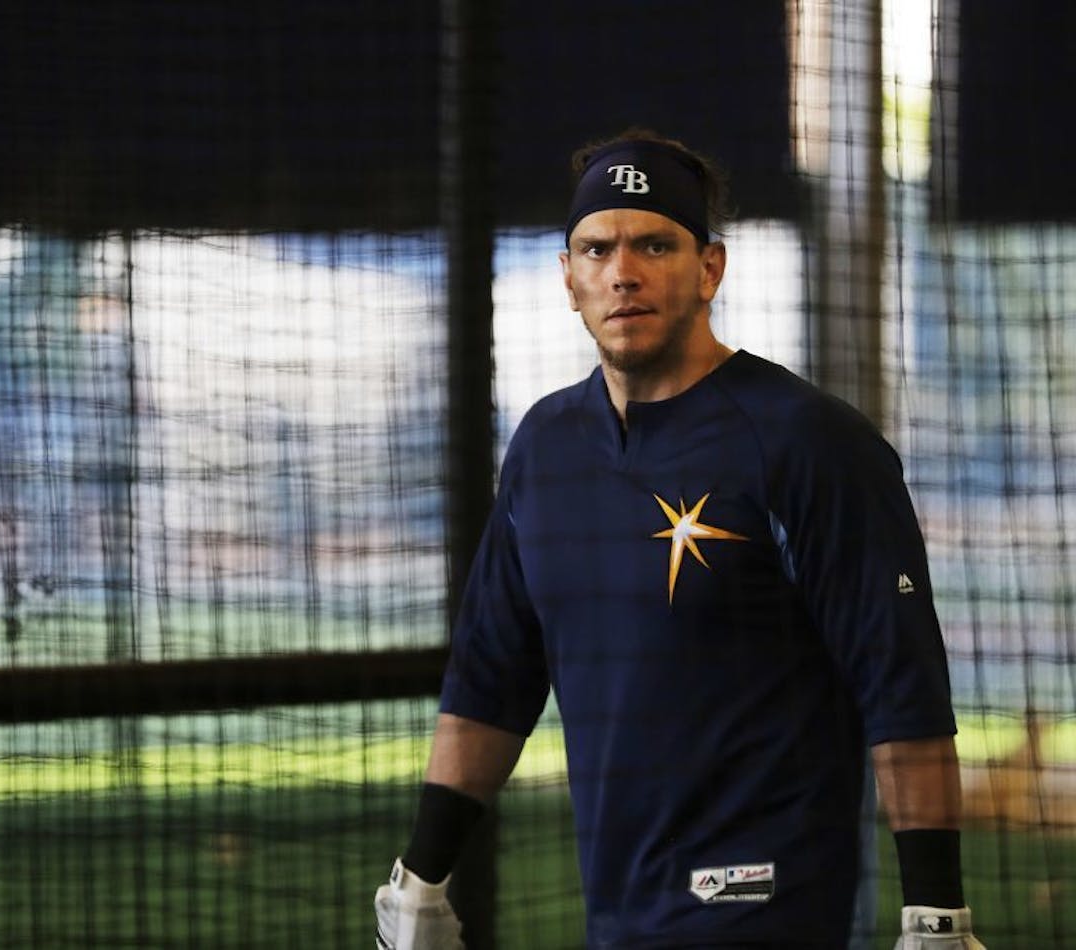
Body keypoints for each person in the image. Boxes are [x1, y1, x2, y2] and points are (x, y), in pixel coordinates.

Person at [374, 129, 984, 949]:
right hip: (619, 911)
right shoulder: (545, 447)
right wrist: (422, 880)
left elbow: (901, 688)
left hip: (772, 905)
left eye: (655, 244)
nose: (623, 272)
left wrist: (936, 916)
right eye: (597, 249)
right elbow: (491, 680)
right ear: (568, 279)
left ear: (710, 270)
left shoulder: (807, 441)